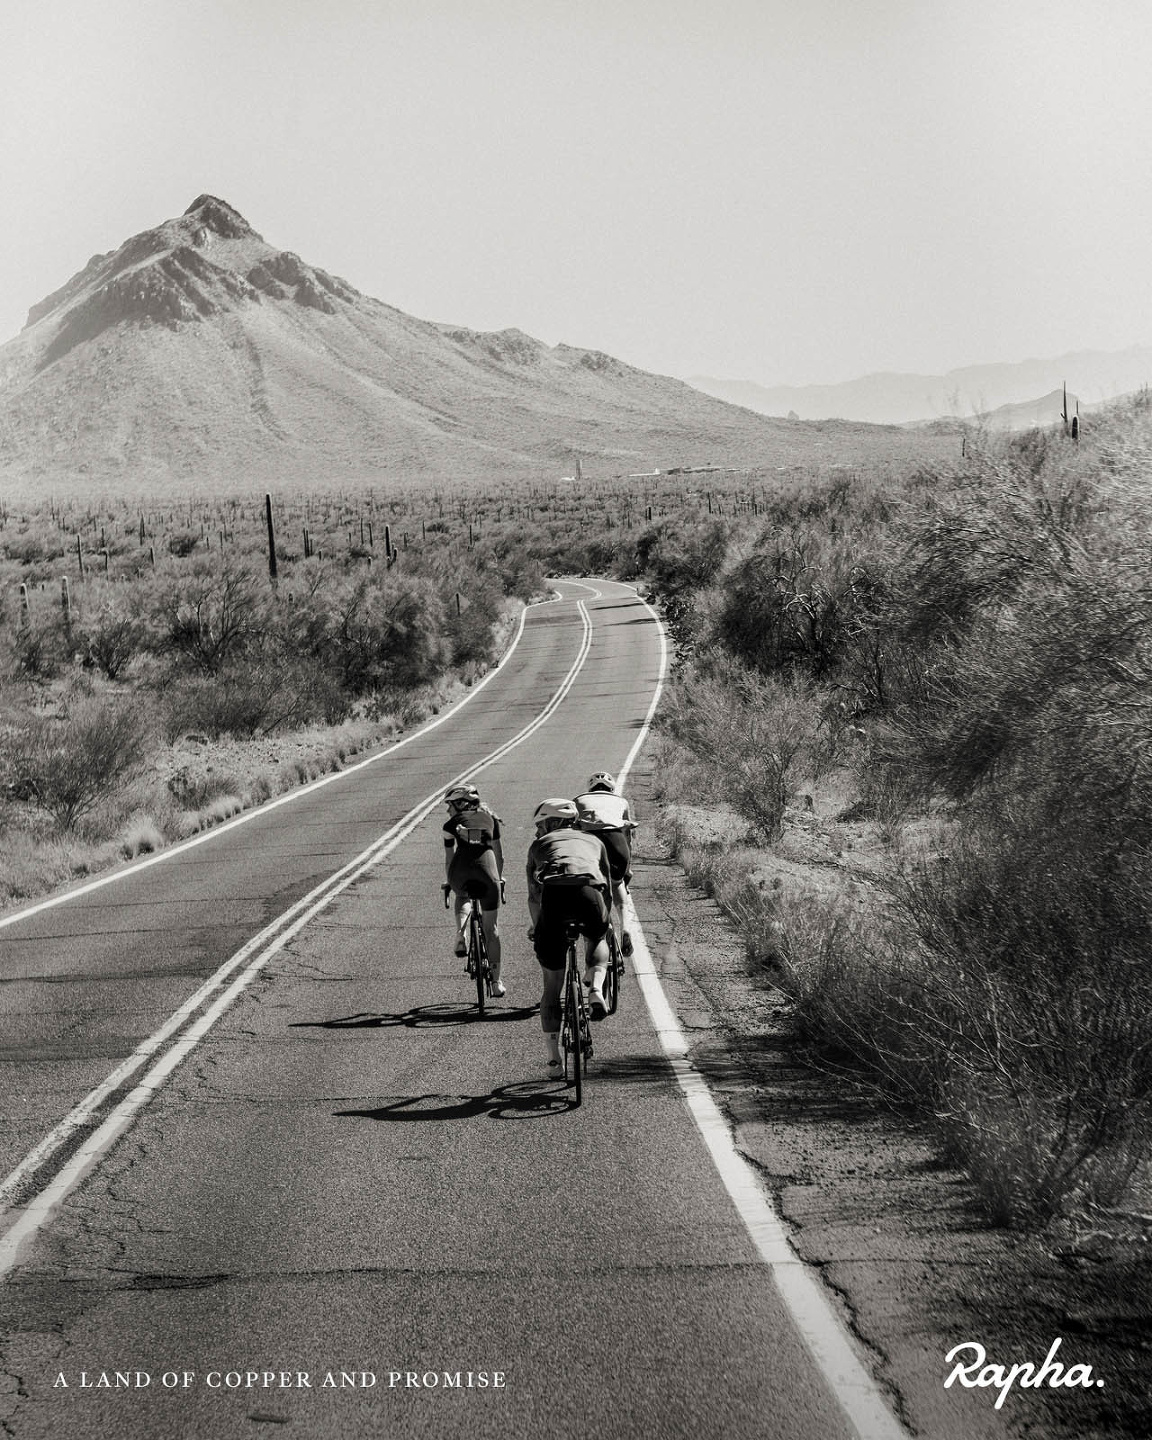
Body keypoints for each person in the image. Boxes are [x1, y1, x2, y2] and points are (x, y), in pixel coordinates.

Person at [526, 798, 613, 1072]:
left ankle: (554, 1059)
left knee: (552, 986)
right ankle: (596, 987)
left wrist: (537, 926)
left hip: (554, 898)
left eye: (541, 824)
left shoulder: (538, 845)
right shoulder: (594, 842)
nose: (539, 830)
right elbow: (607, 888)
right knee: (598, 938)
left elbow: (533, 896)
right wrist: (603, 922)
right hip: (589, 892)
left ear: (552, 823)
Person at [443, 782, 505, 997]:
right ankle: (496, 982)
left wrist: (450, 882)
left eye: (450, 805)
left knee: (461, 894)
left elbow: (449, 859)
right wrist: (499, 878)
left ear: (461, 804)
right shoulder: (492, 820)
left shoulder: (449, 825)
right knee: (492, 929)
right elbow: (499, 856)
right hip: (488, 872)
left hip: (459, 872)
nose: (448, 809)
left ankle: (461, 933)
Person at [572, 771, 637, 958]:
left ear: (590, 788)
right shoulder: (621, 801)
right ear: (611, 788)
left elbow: (573, 831)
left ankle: (603, 926)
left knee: (590, 887)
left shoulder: (578, 800)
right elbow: (627, 836)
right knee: (617, 884)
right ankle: (626, 928)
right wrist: (628, 868)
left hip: (590, 843)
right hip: (616, 842)